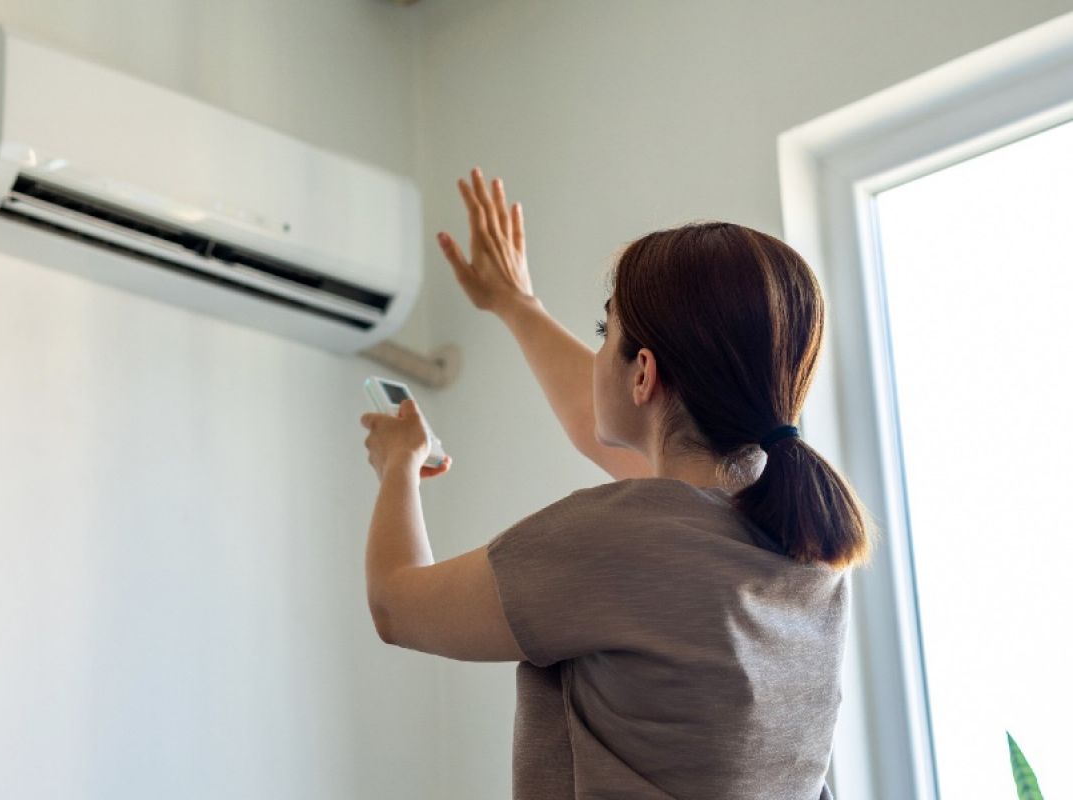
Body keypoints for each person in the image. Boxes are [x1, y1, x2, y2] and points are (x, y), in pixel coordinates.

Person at [359, 167, 876, 800]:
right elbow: (601, 424)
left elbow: (395, 605)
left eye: (607, 332)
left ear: (644, 375)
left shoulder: (617, 542)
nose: (598, 349)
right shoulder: (801, 539)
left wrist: (397, 467)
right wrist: (516, 304)